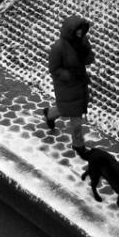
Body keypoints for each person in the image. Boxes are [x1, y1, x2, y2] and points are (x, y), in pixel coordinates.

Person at [43, 15, 95, 156]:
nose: (80, 33)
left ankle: (49, 114)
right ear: (70, 31)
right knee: (76, 119)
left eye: (81, 30)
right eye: (77, 30)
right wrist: (69, 75)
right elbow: (54, 69)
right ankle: (78, 145)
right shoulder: (58, 47)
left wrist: (86, 53)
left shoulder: (83, 41)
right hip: (66, 86)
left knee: (67, 107)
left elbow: (89, 59)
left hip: (80, 83)